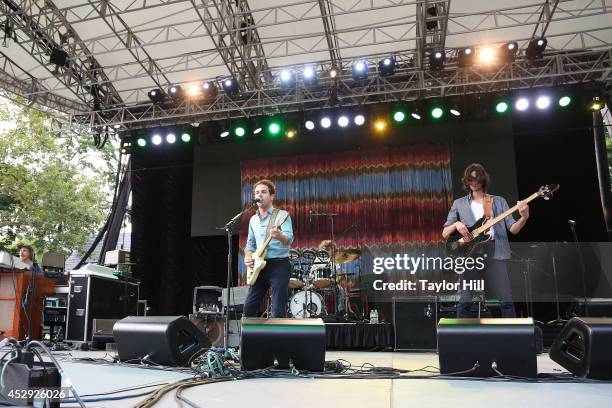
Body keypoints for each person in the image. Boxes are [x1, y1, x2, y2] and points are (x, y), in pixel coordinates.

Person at [442, 163, 529, 318]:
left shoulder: (498, 201)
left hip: (495, 254)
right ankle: (461, 338)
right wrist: (456, 224)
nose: (474, 182)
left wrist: (524, 217)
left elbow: (513, 229)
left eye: (477, 178)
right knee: (465, 300)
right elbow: (444, 233)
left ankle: (513, 338)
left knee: (506, 300)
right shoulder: (459, 203)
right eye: (470, 179)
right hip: (470, 257)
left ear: (483, 180)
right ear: (466, 181)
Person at [243, 179, 293, 317]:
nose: (260, 195)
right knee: (248, 309)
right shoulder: (253, 219)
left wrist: (278, 236)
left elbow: (288, 239)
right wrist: (248, 257)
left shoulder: (282, 215)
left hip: (279, 265)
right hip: (259, 267)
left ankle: (278, 338)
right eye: (257, 192)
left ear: (271, 196)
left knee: (277, 311)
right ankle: (251, 339)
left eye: (264, 192)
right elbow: (250, 245)